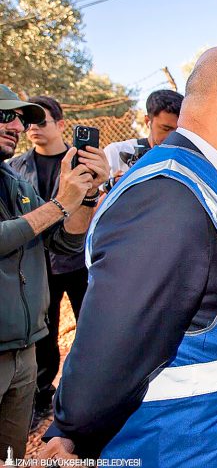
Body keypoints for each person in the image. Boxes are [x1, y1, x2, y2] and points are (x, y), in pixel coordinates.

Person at [39, 47, 217, 467]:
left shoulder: (211, 184)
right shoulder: (168, 197)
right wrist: (72, 428)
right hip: (185, 446)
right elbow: (113, 350)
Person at [0, 84, 109, 460]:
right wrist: (62, 202)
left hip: (22, 352)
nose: (16, 125)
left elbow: (63, 243)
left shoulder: (13, 183)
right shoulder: (21, 172)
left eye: (21, 117)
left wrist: (87, 196)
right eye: (5, 115)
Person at [8, 96, 89, 431]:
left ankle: (86, 396)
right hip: (39, 268)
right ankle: (42, 397)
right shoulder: (15, 167)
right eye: (29, 124)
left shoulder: (81, 161)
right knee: (45, 337)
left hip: (80, 262)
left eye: (41, 122)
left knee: (90, 328)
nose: (33, 130)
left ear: (60, 123)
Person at [102, 89, 183, 187]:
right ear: (147, 121)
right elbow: (93, 200)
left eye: (178, 131)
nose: (172, 136)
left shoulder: (183, 161)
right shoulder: (115, 153)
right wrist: (113, 185)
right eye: (165, 128)